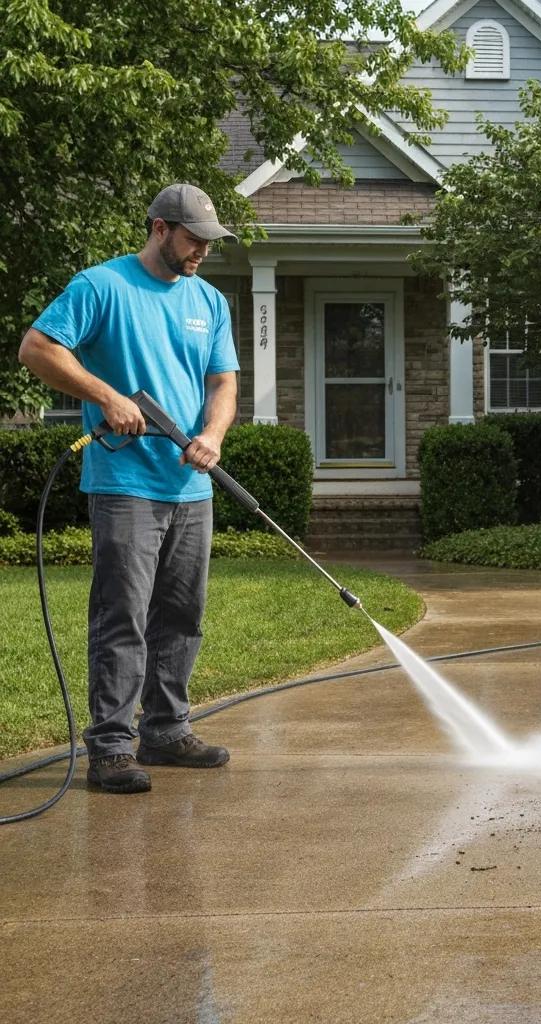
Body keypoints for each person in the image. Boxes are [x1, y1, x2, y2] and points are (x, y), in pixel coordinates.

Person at [19, 184, 241, 794]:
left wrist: (213, 435)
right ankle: (112, 747)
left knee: (183, 614)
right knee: (124, 614)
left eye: (208, 243)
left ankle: (166, 730)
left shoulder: (209, 302)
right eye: (193, 239)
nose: (201, 252)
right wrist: (107, 397)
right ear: (159, 228)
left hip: (190, 487)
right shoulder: (101, 286)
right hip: (125, 483)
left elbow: (223, 382)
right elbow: (36, 348)